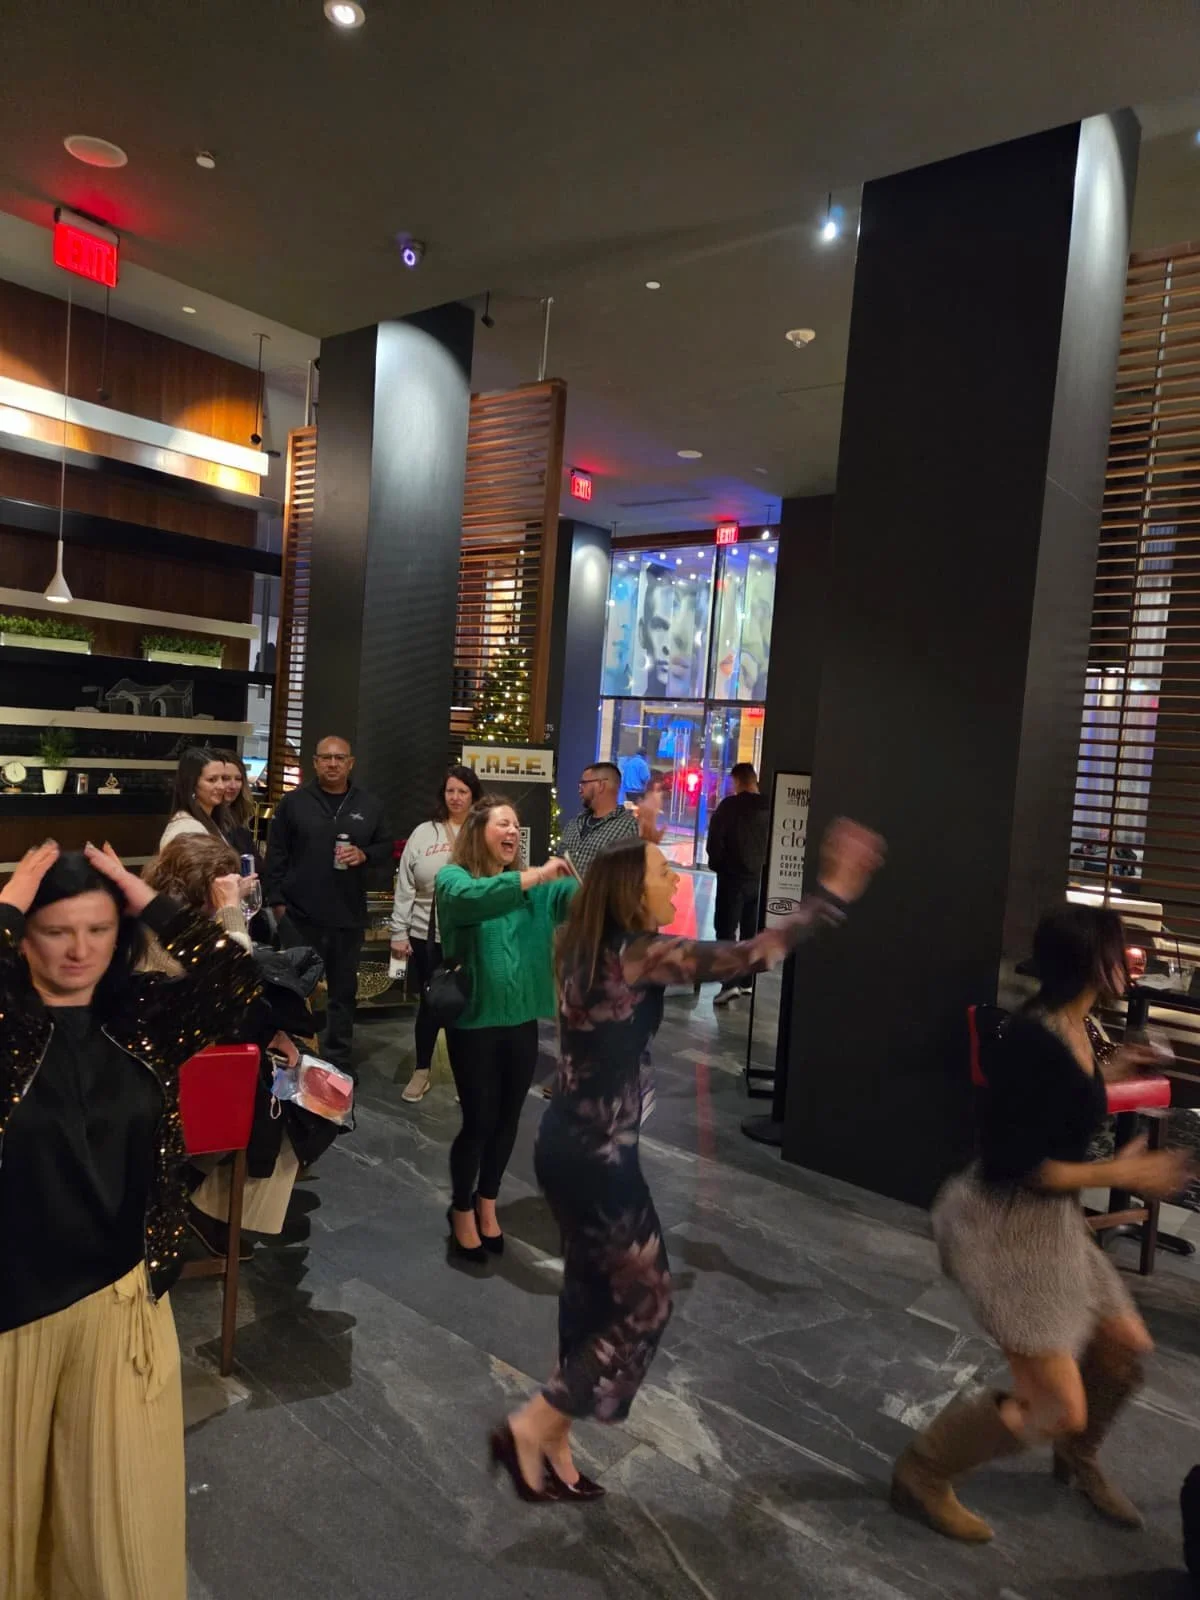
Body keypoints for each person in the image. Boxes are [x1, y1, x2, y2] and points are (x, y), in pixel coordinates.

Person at [489, 819, 885, 1501]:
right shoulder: (634, 954)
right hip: (598, 1161)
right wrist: (832, 896)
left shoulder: (584, 948)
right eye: (661, 872)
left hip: (566, 1144)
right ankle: (534, 1423)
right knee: (646, 1300)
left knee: (589, 1297)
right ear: (628, 892)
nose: (675, 879)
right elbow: (750, 955)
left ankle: (554, 1439)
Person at [0, 840, 259, 1597]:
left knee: (122, 1542)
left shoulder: (142, 1017)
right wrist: (11, 896)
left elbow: (236, 976)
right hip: (11, 1313)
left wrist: (134, 888)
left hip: (121, 1302)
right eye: (55, 930)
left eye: (98, 929)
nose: (79, 949)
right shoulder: (7, 1024)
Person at [891, 905, 1194, 1544]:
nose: (1131, 961)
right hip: (1001, 1228)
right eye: (1121, 951)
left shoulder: (1072, 1025)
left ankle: (1075, 1456)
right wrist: (1127, 1175)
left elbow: (1062, 1098)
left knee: (1121, 1349)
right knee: (1056, 1403)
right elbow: (1022, 1167)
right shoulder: (1036, 1039)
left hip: (1047, 1222)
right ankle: (923, 1472)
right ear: (1091, 962)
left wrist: (1107, 1077)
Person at [141, 834, 331, 1256]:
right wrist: (231, 912)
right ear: (205, 884)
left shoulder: (164, 916)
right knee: (290, 1093)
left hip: (183, 1058)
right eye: (225, 881)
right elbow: (234, 987)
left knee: (290, 1066)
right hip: (177, 1078)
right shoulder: (170, 930)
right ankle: (194, 1200)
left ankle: (196, 1198)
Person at [435, 796, 577, 1262]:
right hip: (473, 1022)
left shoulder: (536, 888)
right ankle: (460, 1209)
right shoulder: (454, 881)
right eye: (503, 823)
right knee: (478, 1122)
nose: (513, 831)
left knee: (508, 1120)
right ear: (479, 831)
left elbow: (582, 901)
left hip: (520, 1023)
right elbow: (480, 899)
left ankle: (487, 1202)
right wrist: (536, 875)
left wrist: (591, 883)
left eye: (517, 824)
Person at [265, 735, 393, 1073]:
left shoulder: (370, 805)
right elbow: (275, 856)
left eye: (339, 758)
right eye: (326, 758)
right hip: (299, 916)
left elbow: (386, 849)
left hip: (347, 917)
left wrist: (365, 854)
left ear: (351, 763)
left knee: (342, 995)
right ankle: (296, 1059)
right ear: (315, 762)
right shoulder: (293, 803)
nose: (332, 764)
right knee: (295, 993)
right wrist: (278, 907)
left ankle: (337, 1063)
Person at [390, 764, 483, 1103]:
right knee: (430, 1005)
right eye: (450, 791)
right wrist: (398, 932)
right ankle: (422, 1069)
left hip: (473, 935)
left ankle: (466, 1075)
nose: (455, 797)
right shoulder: (424, 833)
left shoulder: (484, 830)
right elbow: (405, 885)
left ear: (474, 795)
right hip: (424, 933)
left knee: (469, 1007)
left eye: (462, 791)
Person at [706, 761, 771, 1006]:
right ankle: (746, 981)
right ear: (754, 780)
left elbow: (715, 842)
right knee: (749, 932)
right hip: (758, 879)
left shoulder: (729, 807)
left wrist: (719, 864)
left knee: (725, 931)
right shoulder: (769, 807)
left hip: (732, 879)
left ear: (737, 781)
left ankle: (729, 984)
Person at [558, 762, 640, 877]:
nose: (580, 790)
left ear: (601, 785)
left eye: (583, 784)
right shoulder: (574, 823)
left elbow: (630, 879)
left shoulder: (629, 828)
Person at [160, 746, 229, 849]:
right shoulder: (187, 829)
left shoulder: (207, 821)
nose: (221, 786)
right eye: (212, 780)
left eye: (224, 778)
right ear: (192, 784)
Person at [636, 772, 667, 845]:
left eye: (659, 783)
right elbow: (647, 805)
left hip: (651, 816)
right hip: (646, 816)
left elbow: (656, 806)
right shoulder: (649, 793)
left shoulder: (659, 795)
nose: (658, 784)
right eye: (656, 782)